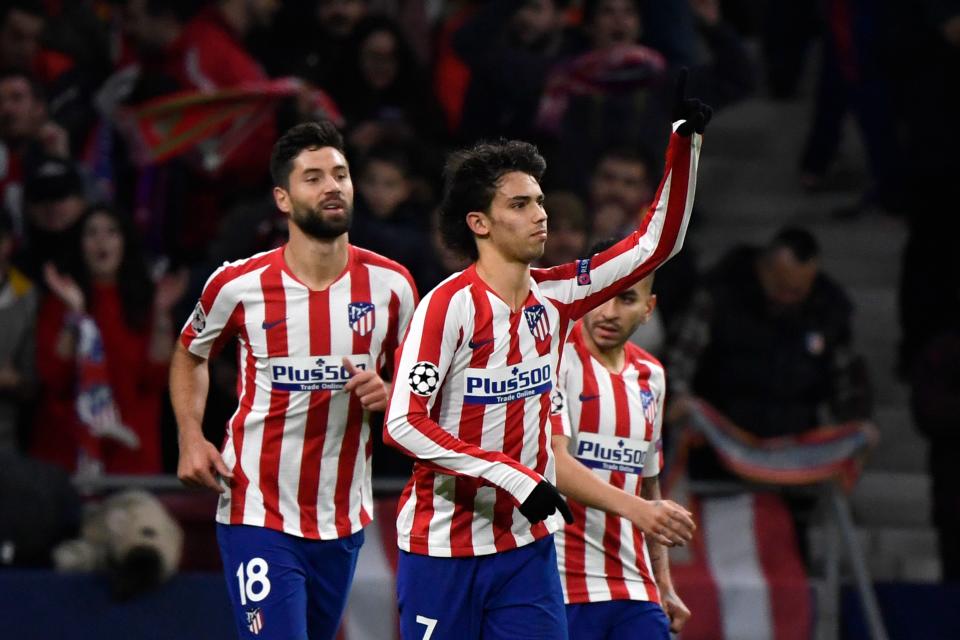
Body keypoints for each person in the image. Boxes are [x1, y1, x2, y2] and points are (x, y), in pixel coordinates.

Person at [383, 78, 709, 639]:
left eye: (539, 200)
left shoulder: (558, 297)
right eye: (519, 204)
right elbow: (402, 424)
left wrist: (685, 145)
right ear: (478, 223)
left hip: (525, 551)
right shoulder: (448, 308)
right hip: (443, 547)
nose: (540, 214)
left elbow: (656, 244)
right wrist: (510, 474)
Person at [171, 121, 417, 640]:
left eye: (340, 173)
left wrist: (394, 395)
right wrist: (191, 436)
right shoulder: (237, 284)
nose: (332, 186)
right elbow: (189, 353)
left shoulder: (393, 285)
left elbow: (425, 388)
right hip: (255, 508)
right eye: (313, 177)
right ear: (283, 198)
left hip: (343, 516)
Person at [550, 246, 689, 639]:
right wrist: (642, 511)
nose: (608, 312)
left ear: (649, 308)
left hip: (635, 587)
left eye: (626, 298)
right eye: (601, 295)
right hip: (563, 583)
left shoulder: (652, 376)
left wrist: (664, 583)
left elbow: (648, 482)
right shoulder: (555, 359)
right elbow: (555, 466)